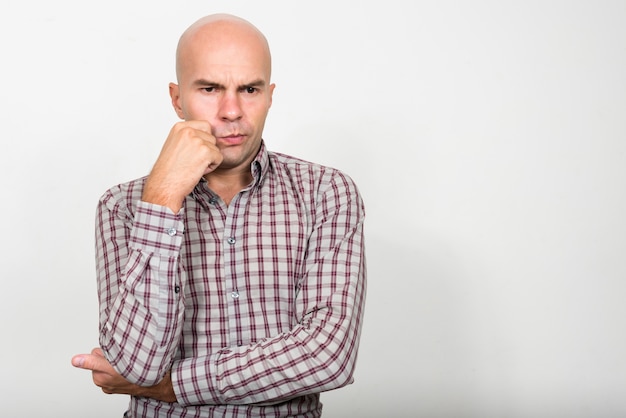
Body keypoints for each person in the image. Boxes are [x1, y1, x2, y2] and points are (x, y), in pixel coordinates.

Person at [71, 13, 366, 418]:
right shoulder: (122, 206)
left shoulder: (326, 193)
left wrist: (173, 386)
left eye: (249, 89)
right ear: (177, 99)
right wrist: (162, 198)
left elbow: (327, 357)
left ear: (270, 95)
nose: (232, 110)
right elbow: (135, 366)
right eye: (210, 88)